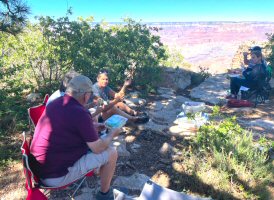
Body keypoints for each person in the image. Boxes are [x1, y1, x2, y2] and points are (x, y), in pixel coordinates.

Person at [30, 75, 122, 200]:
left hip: (39, 169)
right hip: (55, 176)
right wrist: (112, 133)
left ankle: (100, 178)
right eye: (90, 94)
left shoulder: (55, 103)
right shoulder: (80, 113)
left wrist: (92, 126)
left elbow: (67, 127)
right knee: (112, 152)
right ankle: (105, 195)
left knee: (100, 148)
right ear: (86, 96)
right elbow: (97, 148)